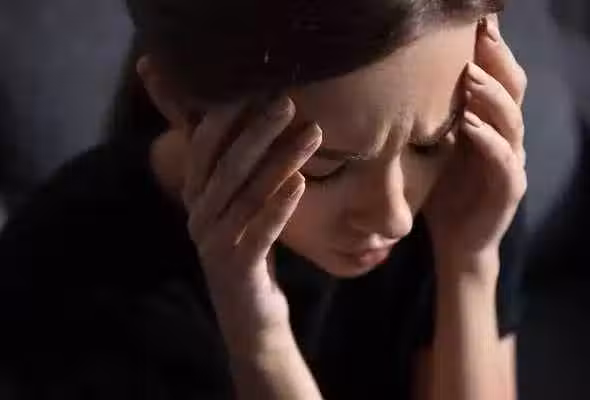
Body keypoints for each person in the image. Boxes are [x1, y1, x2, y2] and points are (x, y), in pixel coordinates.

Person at [0, 0, 528, 398]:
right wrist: (260, 344)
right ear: (181, 105)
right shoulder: (65, 274)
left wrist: (470, 264)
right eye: (326, 168)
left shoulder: (466, 186)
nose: (394, 216)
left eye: (428, 143)